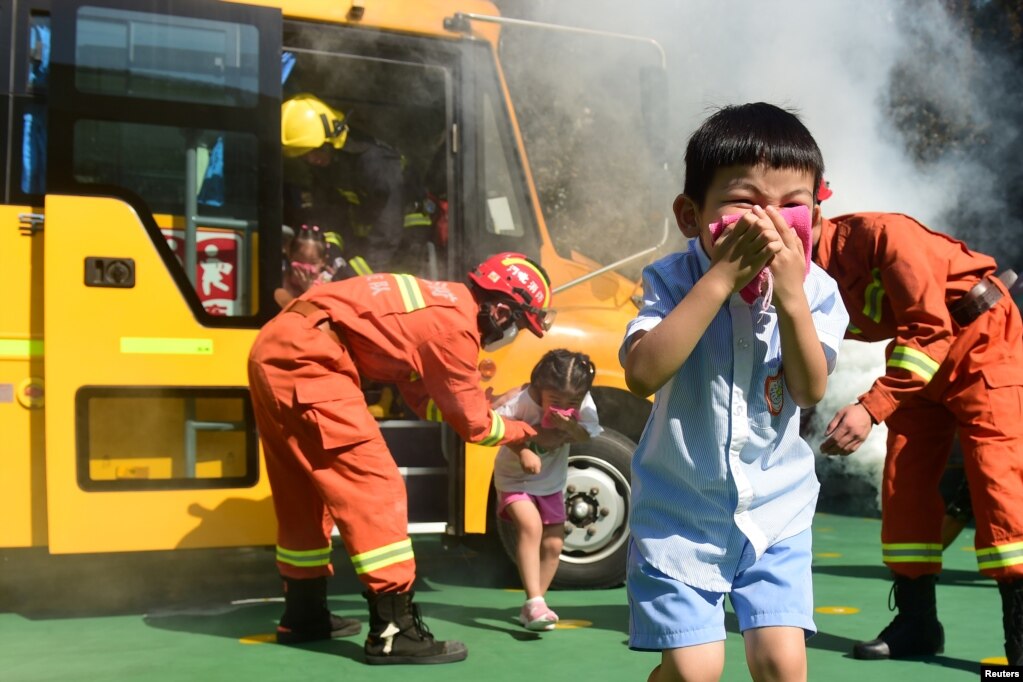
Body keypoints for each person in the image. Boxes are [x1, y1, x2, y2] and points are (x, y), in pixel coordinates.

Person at [619, 102, 849, 682]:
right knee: (695, 672)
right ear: (691, 215)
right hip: (680, 515)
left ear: (817, 218)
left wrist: (792, 297)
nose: (769, 221)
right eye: (746, 201)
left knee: (781, 663)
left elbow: (807, 388)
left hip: (776, 511)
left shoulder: (817, 290)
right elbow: (643, 373)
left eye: (793, 205)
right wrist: (720, 279)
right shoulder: (672, 280)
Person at [247, 251, 555, 665]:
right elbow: (475, 428)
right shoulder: (455, 328)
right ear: (500, 311)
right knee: (377, 489)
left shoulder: (441, 303)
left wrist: (478, 404)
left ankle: (304, 615)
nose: (512, 335)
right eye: (518, 325)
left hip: (278, 348)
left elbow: (424, 398)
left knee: (303, 492)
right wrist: (527, 432)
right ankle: (395, 633)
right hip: (312, 360)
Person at [813, 202, 1023, 664]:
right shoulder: (791, 273)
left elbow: (930, 330)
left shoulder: (883, 236)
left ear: (814, 205)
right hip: (920, 357)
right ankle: (917, 625)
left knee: (1000, 489)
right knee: (903, 485)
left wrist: (871, 408)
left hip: (981, 340)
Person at [492, 349, 602, 631]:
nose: (564, 405)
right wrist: (524, 451)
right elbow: (499, 427)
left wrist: (570, 427)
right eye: (555, 400)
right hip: (514, 478)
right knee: (530, 527)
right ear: (540, 388)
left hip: (550, 482)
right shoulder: (524, 401)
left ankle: (534, 605)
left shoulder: (583, 403)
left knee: (554, 544)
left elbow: (587, 434)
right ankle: (535, 601)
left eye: (572, 401)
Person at [280, 93, 432, 278]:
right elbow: (331, 212)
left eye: (315, 150)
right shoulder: (331, 168)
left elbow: (389, 228)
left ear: (333, 139)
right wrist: (331, 253)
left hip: (406, 240)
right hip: (373, 239)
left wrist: (354, 274)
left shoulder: (376, 163)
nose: (312, 159)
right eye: (304, 155)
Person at [274, 224, 332, 309]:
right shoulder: (280, 280)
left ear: (323, 261)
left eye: (312, 262)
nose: (305, 269)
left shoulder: (327, 285)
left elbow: (323, 313)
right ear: (290, 255)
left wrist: (309, 290)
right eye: (299, 261)